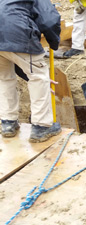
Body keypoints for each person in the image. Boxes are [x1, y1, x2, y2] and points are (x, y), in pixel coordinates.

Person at [0, 0, 62, 142]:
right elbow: (50, 20)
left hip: (4, 37)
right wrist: (54, 42)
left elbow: (14, 57)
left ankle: (8, 122)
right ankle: (42, 126)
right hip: (18, 34)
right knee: (39, 78)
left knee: (4, 78)